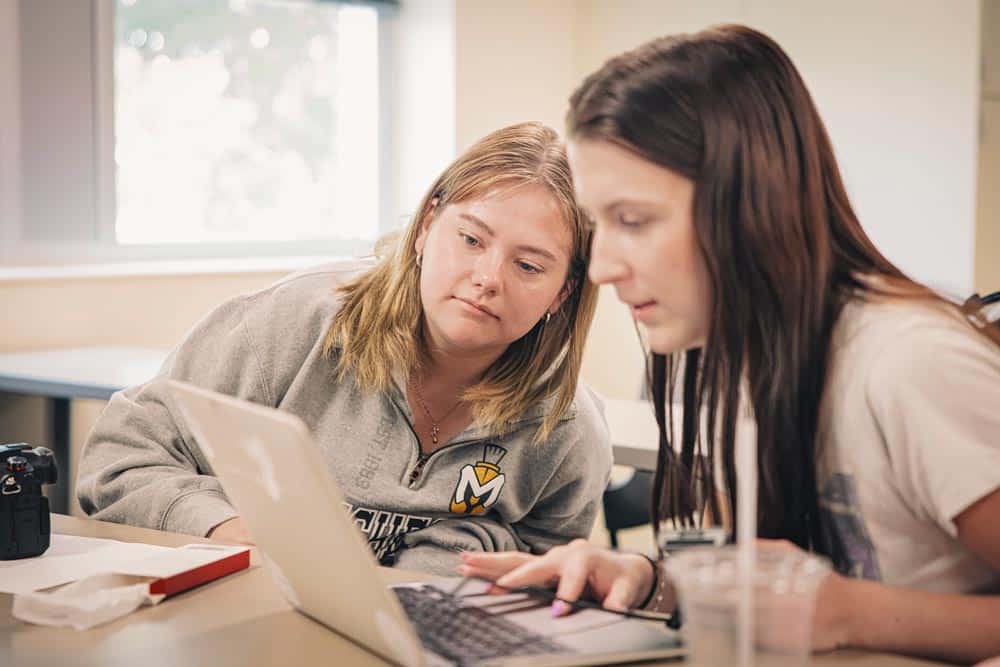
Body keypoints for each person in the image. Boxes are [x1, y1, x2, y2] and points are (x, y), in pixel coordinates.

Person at [459, 27, 1000, 663]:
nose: (600, 267)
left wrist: (851, 613)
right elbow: (754, 576)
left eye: (632, 221)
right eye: (598, 224)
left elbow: (828, 609)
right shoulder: (725, 358)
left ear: (750, 206)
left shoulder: (908, 364)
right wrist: (651, 583)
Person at [77, 121, 612, 576]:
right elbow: (120, 459)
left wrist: (462, 552)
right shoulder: (295, 323)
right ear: (427, 226)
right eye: (471, 239)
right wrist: (234, 530)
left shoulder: (566, 430)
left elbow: (547, 568)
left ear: (563, 291)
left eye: (529, 266)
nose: (488, 278)